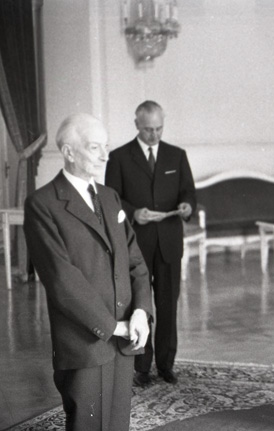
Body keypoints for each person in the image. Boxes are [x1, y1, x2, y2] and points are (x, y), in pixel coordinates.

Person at [23, 113, 152, 431]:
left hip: (125, 337)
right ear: (69, 152)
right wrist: (112, 327)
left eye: (106, 146)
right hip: (85, 343)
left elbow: (135, 261)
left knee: (117, 424)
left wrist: (141, 311)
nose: (105, 156)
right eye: (95, 147)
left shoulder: (109, 197)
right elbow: (62, 280)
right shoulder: (43, 204)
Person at [105, 100, 196, 386]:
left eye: (158, 129)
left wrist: (187, 206)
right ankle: (141, 367)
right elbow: (111, 199)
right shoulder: (119, 157)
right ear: (137, 125)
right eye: (148, 129)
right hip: (137, 244)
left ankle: (166, 365)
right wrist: (134, 213)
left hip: (169, 242)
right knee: (140, 306)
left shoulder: (176, 155)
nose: (154, 134)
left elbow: (189, 192)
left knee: (168, 306)